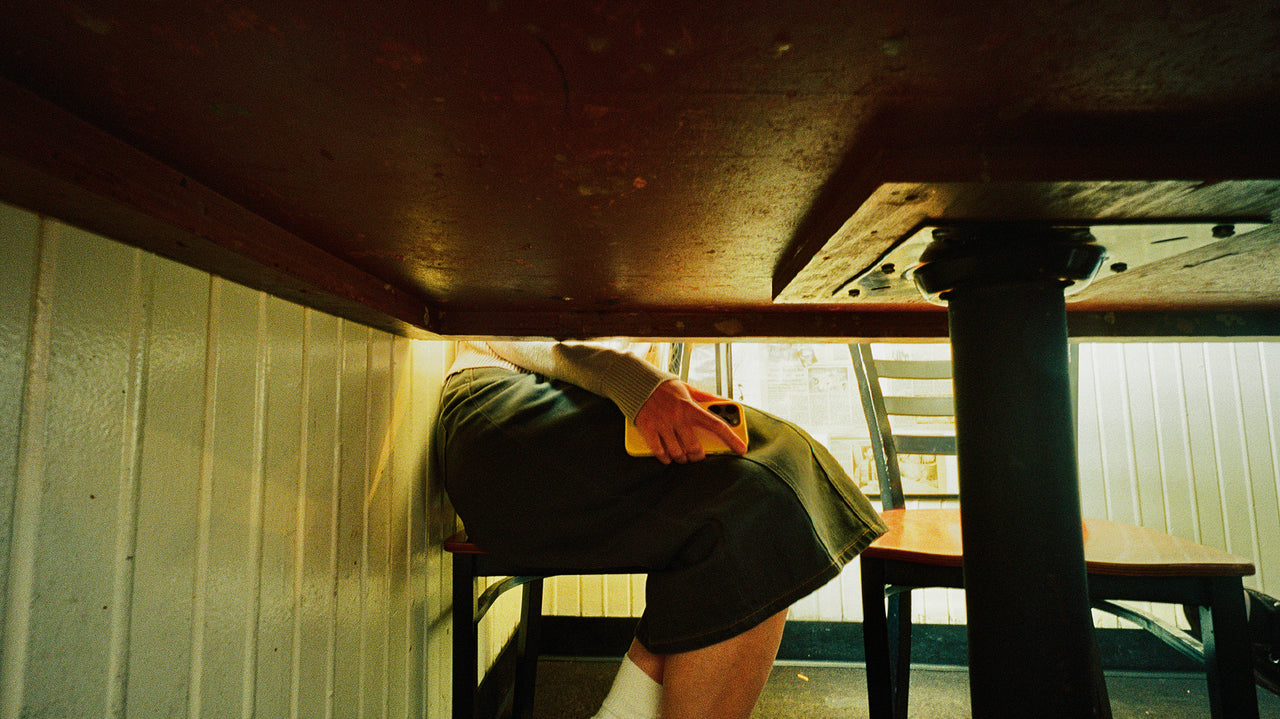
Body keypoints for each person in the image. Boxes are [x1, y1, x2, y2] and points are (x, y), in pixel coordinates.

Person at [435, 341, 886, 719]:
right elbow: (506, 325)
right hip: (502, 408)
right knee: (763, 492)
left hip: (586, 398)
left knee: (781, 466)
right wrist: (639, 384)